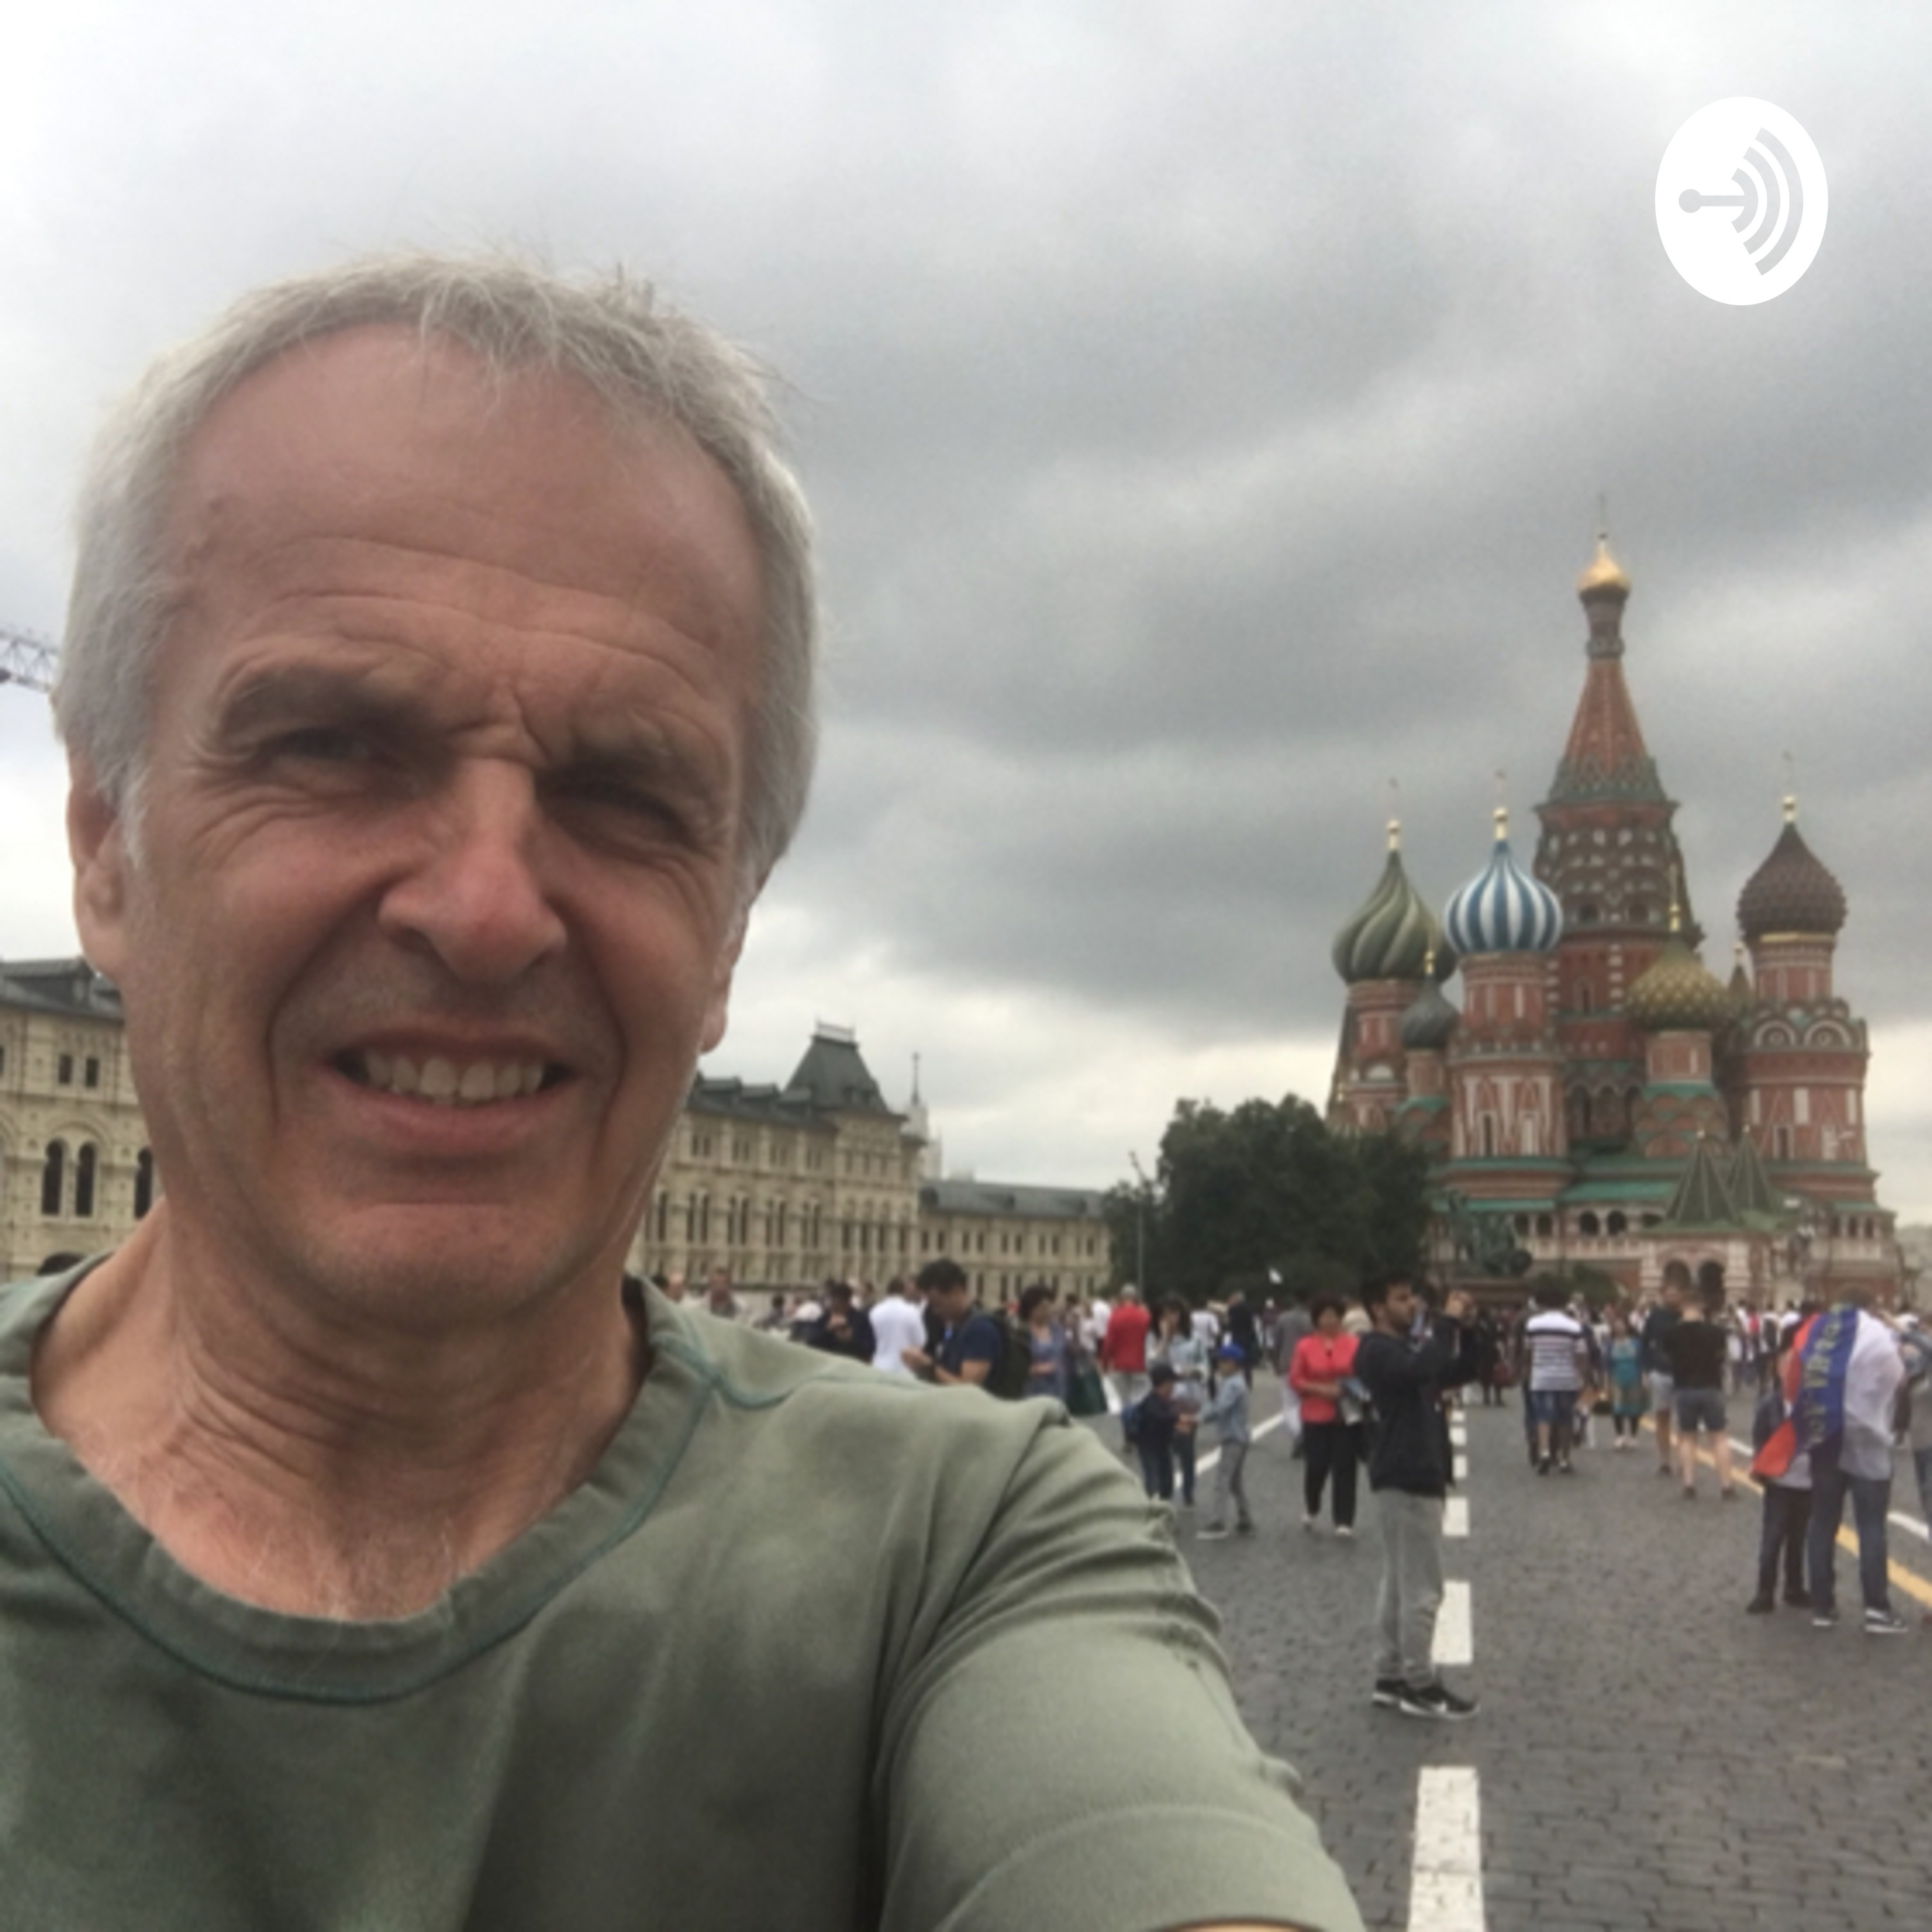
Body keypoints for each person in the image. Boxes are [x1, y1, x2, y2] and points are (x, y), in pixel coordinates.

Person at [8, 254, 1363, 1931]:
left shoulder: (960, 1550)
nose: (486, 910)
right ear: (105, 847)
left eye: (624, 792)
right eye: (334, 746)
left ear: (727, 936)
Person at [1354, 1272, 1481, 1721]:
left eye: (1412, 1298)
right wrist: (1447, 1323)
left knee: (1398, 1582)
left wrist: (1469, 1329)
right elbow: (1422, 1370)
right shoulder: (1377, 1350)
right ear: (1378, 1308)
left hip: (1409, 1471)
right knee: (1423, 1586)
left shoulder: (1405, 1351)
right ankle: (1419, 1681)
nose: (1412, 1305)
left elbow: (1456, 1371)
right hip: (1407, 1472)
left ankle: (1390, 1675)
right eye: (1401, 1298)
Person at [1790, 1291, 1909, 1634]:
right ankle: (1876, 1609)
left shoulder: (1820, 1332)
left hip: (1826, 1434)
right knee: (1871, 1526)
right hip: (1869, 1439)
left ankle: (1823, 1607)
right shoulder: (1878, 1336)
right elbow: (1899, 1378)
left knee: (1822, 1523)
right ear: (1871, 1307)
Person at [1746, 1343, 1812, 1614]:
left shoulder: (1816, 1405)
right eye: (1788, 1365)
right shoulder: (1769, 1405)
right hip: (1779, 1482)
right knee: (1773, 1536)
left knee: (1799, 1537)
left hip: (1809, 1482)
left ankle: (1794, 1587)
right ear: (1779, 1369)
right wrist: (1762, 1468)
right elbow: (1760, 1439)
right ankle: (1765, 1591)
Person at [1291, 1298, 1360, 1537]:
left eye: (1334, 1315)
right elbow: (1296, 1378)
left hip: (1346, 1412)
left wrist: (1346, 1389)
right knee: (1316, 1465)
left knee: (1346, 1467)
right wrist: (1320, 1389)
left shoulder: (1353, 1344)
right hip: (1315, 1411)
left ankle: (1344, 1519)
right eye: (1325, 1316)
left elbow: (1362, 1373)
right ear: (1317, 1319)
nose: (1330, 1320)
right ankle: (1312, 1504)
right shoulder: (1305, 1346)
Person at [1658, 1287, 1736, 1499]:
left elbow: (1667, 1359)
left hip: (1685, 1388)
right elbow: (1722, 1357)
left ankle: (1689, 1484)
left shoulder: (1672, 1334)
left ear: (1682, 1306)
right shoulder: (1716, 1332)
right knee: (1719, 1437)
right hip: (1711, 1387)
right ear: (1702, 1307)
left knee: (1688, 1437)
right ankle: (1727, 1484)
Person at [900, 1257, 1001, 1390]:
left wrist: (928, 1366)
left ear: (956, 1292)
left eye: (938, 1304)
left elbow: (967, 1390)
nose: (934, 1311)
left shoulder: (981, 1330)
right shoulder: (957, 1327)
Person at [1522, 1283, 1590, 1475]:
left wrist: (1527, 1371)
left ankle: (1544, 1452)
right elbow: (1581, 1354)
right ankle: (1564, 1458)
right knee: (1565, 1419)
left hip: (1541, 1376)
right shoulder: (1573, 1326)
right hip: (1566, 1377)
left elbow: (1528, 1351)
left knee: (1543, 1416)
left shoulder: (1533, 1325)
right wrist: (1584, 1377)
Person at [1149, 1296, 1208, 1507]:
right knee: (1163, 1446)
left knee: (1186, 1446)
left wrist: (1196, 1371)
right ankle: (1164, 1489)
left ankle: (1188, 1488)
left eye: (1173, 1314)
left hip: (1189, 1396)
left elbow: (1205, 1365)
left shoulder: (1195, 1339)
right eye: (1165, 1315)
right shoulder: (1154, 1338)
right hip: (1165, 1398)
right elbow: (1151, 1364)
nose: (1170, 1319)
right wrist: (1164, 1340)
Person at [1196, 1343, 1256, 1539]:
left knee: (1223, 1480)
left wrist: (1198, 1419)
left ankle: (1218, 1522)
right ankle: (1245, 1517)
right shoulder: (1233, 1382)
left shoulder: (1233, 1385)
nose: (1219, 1365)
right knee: (1234, 1482)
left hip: (1233, 1437)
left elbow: (1220, 1407)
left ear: (1234, 1363)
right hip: (1239, 1436)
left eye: (1223, 1361)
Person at [1640, 1273, 1687, 1477]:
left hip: (1684, 1374)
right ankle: (1664, 1460)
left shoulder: (1686, 1316)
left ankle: (1683, 1459)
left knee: (1684, 1421)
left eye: (1675, 1295)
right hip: (1660, 1372)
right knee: (1662, 1418)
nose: (1672, 1298)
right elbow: (1645, 1343)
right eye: (1669, 1295)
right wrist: (1647, 1369)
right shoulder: (1655, 1316)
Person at [1130, 1364, 1184, 1502]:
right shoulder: (1151, 1402)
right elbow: (1161, 1417)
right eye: (1171, 1383)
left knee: (1167, 1482)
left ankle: (1163, 1505)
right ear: (1164, 1384)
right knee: (1154, 1480)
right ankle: (1153, 1507)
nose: (1173, 1388)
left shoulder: (1164, 1402)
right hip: (1149, 1447)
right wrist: (1178, 1418)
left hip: (1163, 1446)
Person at [1100, 1285, 1154, 1415]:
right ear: (1136, 1298)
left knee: (1124, 1400)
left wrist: (1105, 1363)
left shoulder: (1115, 1316)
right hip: (1141, 1362)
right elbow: (1150, 1341)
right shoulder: (1145, 1316)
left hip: (1120, 1363)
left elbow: (1109, 1343)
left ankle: (1127, 1420)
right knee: (1140, 1397)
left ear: (1122, 1298)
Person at [1018, 1282, 1072, 1403]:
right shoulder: (1020, 1333)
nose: (1047, 1312)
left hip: (1058, 1391)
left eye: (1049, 1307)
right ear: (1030, 1309)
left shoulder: (1057, 1330)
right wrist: (1037, 1369)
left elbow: (1065, 1356)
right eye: (1042, 1309)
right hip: (1031, 1393)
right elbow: (1014, 1367)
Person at [867, 1273, 927, 1376]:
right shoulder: (912, 1311)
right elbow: (921, 1340)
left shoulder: (875, 1311)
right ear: (904, 1290)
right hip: (904, 1369)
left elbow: (871, 1340)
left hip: (879, 1366)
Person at [804, 1280, 876, 1363]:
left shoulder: (860, 1320)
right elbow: (811, 1340)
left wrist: (851, 1339)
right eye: (832, 1300)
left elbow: (869, 1347)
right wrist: (828, 1329)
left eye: (837, 1301)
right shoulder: (825, 1318)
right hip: (827, 1362)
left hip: (849, 1363)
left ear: (846, 1301)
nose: (833, 1305)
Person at [1605, 1309, 1647, 1449]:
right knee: (1617, 1408)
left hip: (1634, 1376)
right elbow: (1607, 1364)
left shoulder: (1636, 1343)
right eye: (1616, 1326)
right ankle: (1620, 1435)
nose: (1619, 1328)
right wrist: (1606, 1381)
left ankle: (1634, 1436)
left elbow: (1641, 1361)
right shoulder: (1610, 1345)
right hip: (1617, 1377)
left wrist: (1644, 1377)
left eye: (1621, 1325)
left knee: (1634, 1408)